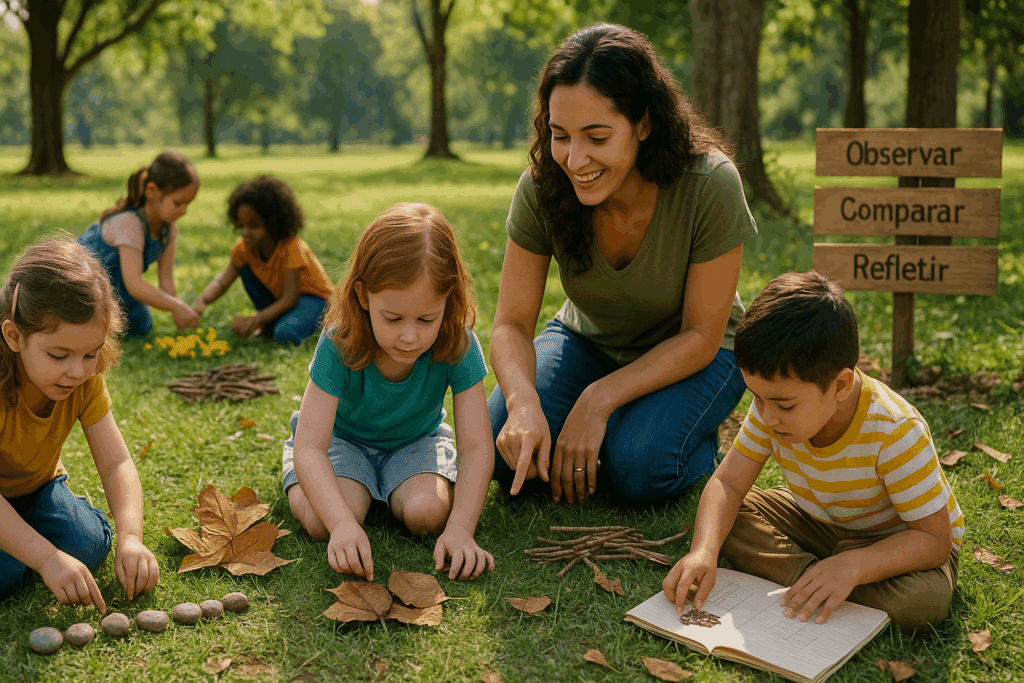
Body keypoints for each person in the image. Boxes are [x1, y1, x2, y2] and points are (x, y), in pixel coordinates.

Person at [489, 23, 756, 505]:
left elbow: (701, 335)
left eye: (596, 136)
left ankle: (683, 441)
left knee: (639, 468)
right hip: (587, 341)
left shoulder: (710, 184)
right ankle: (614, 436)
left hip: (700, 350)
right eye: (560, 135)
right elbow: (510, 322)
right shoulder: (542, 188)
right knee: (502, 447)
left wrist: (598, 399)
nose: (574, 159)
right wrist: (522, 400)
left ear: (644, 124)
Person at [663, 272, 963, 631]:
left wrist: (853, 566)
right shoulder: (770, 408)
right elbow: (727, 484)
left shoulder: (894, 430)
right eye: (756, 397)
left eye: (785, 405)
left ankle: (824, 576)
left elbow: (934, 541)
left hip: (896, 543)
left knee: (921, 601)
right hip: (820, 525)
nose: (766, 415)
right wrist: (704, 550)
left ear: (839, 384)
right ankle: (817, 579)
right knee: (728, 518)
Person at [284, 203, 495, 581]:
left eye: (426, 319)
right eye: (393, 319)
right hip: (341, 441)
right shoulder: (340, 343)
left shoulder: (458, 342)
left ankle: (381, 490)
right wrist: (342, 526)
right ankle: (348, 491)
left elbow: (477, 446)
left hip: (415, 442)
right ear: (363, 297)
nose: (410, 336)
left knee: (427, 514)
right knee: (323, 520)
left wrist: (461, 528)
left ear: (448, 299)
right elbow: (310, 446)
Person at [0, 238, 160, 610]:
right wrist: (45, 558)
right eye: (59, 355)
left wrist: (131, 538)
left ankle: (22, 542)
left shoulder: (84, 379)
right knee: (7, 572)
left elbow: (116, 462)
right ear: (14, 336)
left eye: (90, 353)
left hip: (38, 489)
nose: (77, 370)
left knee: (89, 543)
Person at [193, 175, 333, 344]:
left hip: (315, 301)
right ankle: (272, 324)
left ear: (274, 224)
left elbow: (290, 298)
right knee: (243, 268)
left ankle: (317, 325)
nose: (245, 232)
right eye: (241, 226)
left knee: (284, 334)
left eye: (254, 226)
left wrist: (256, 319)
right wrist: (202, 301)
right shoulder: (243, 248)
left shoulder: (292, 248)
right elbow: (223, 281)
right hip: (281, 301)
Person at [78, 151, 200, 337]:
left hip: (118, 292)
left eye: (188, 204)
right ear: (151, 191)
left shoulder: (168, 230)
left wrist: (178, 311)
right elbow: (134, 284)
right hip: (83, 288)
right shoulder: (129, 224)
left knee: (141, 326)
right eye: (178, 203)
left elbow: (166, 278)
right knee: (93, 330)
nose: (184, 211)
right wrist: (177, 306)